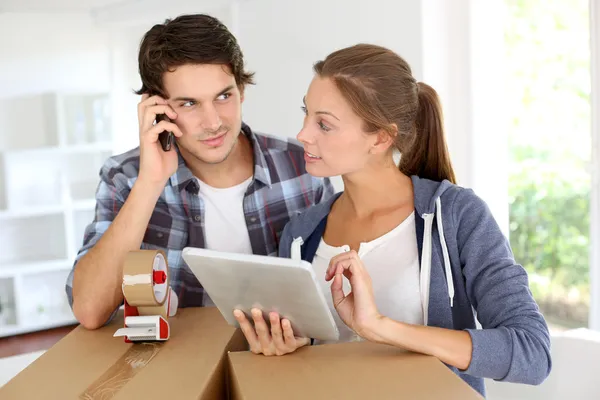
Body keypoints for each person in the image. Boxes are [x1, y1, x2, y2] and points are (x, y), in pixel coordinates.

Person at [233, 43, 551, 397]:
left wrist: (380, 326)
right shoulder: (301, 232)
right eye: (306, 115)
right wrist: (288, 344)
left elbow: (531, 353)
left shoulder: (458, 215)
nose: (304, 134)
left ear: (382, 137)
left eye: (324, 124)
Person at [65, 14, 334, 330]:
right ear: (157, 107)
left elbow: (329, 294)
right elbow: (90, 310)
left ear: (242, 90)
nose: (213, 122)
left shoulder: (302, 166)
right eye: (189, 103)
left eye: (223, 96)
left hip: (283, 363)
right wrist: (150, 182)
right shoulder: (125, 176)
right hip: (181, 370)